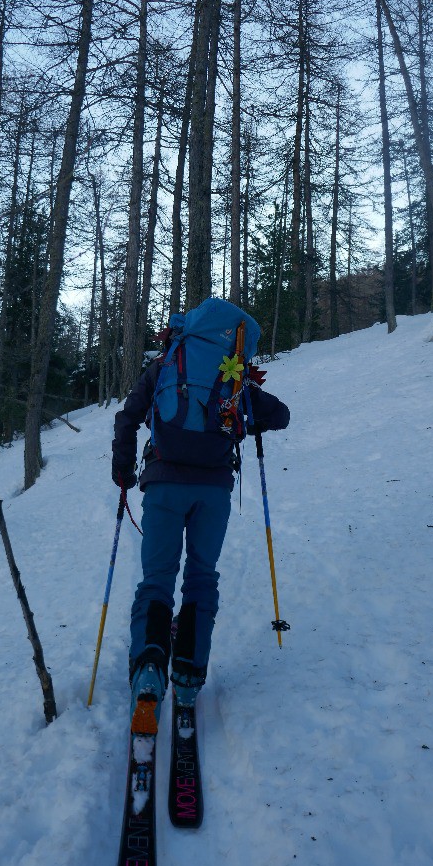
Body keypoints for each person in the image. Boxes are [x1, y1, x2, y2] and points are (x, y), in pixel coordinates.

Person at [111, 299, 290, 735]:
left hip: (163, 483)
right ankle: (188, 676)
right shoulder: (232, 375)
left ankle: (149, 670)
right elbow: (281, 415)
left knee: (156, 578)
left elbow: (128, 416)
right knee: (202, 575)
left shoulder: (166, 367)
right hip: (213, 489)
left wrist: (123, 469)